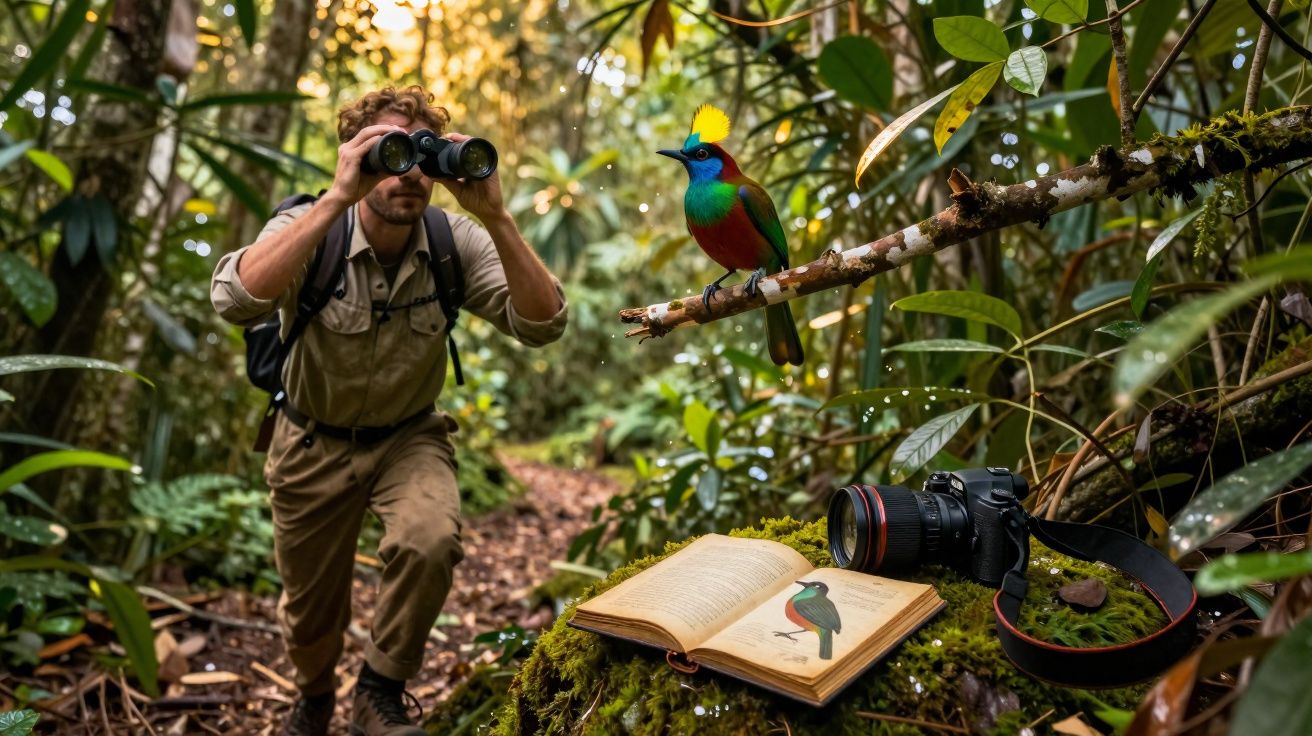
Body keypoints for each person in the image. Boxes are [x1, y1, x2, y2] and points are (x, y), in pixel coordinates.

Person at [210, 86, 567, 736]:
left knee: (429, 540)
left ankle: (379, 692)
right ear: (353, 155)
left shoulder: (454, 240)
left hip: (408, 437)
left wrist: (497, 216)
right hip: (311, 439)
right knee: (310, 613)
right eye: (390, 152)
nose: (410, 173)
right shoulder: (311, 227)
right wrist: (336, 199)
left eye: (423, 157)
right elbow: (235, 300)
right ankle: (315, 695)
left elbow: (543, 325)